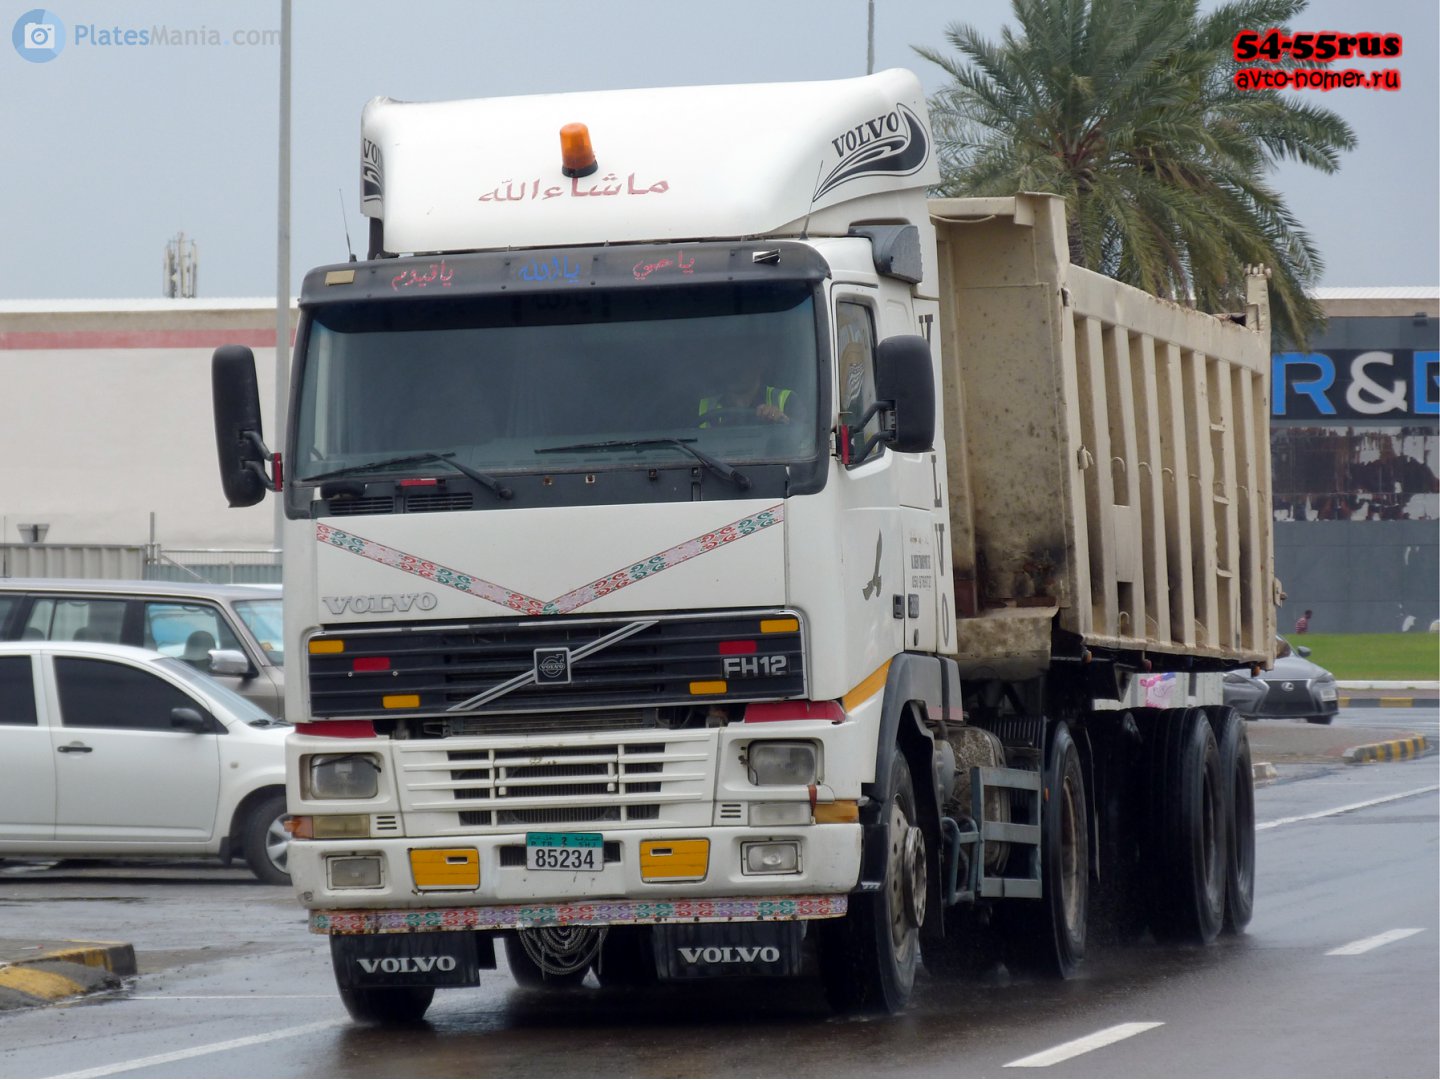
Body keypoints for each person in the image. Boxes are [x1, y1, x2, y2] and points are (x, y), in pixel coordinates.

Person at [699, 354, 794, 427]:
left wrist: (781, 419)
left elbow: (803, 439)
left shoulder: (787, 400)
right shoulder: (702, 406)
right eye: (730, 364)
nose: (734, 370)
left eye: (742, 363)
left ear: (759, 365)